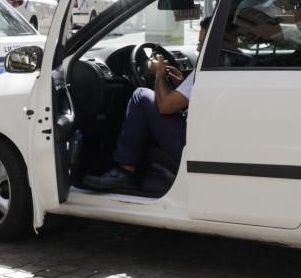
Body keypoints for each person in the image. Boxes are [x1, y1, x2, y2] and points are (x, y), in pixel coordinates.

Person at [83, 15, 213, 191]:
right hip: (205, 136)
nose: (198, 48)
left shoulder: (207, 70)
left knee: (140, 95)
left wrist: (159, 74)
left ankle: (125, 170)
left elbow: (165, 106)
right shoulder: (228, 64)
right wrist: (181, 84)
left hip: (192, 141)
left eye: (202, 43)